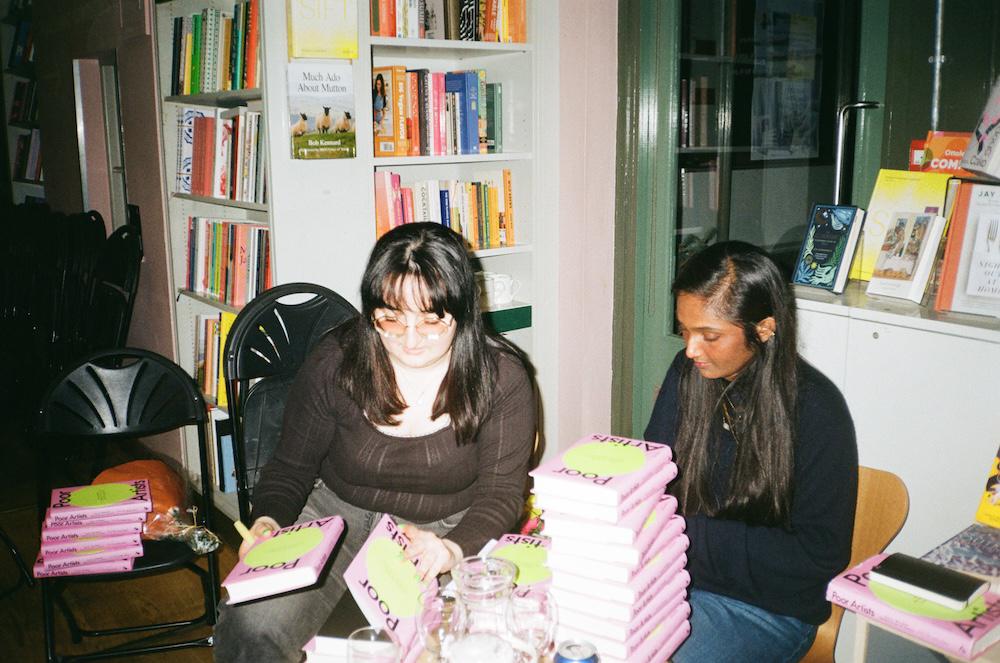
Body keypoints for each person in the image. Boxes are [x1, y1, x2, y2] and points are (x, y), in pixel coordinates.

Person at [214, 222, 537, 662]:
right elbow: (290, 467)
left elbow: (501, 494)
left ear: (463, 312)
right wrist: (268, 521)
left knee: (426, 646)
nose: (410, 340)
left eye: (431, 321)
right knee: (252, 625)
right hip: (336, 516)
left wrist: (451, 549)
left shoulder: (501, 377)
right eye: (390, 319)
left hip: (441, 530)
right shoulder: (336, 362)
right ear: (370, 313)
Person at [644, 241, 858, 663]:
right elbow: (652, 480)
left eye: (710, 336)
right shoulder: (686, 374)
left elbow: (820, 555)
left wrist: (683, 533)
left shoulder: (817, 409)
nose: (691, 349)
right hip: (674, 579)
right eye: (685, 330)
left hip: (767, 608)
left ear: (764, 329)